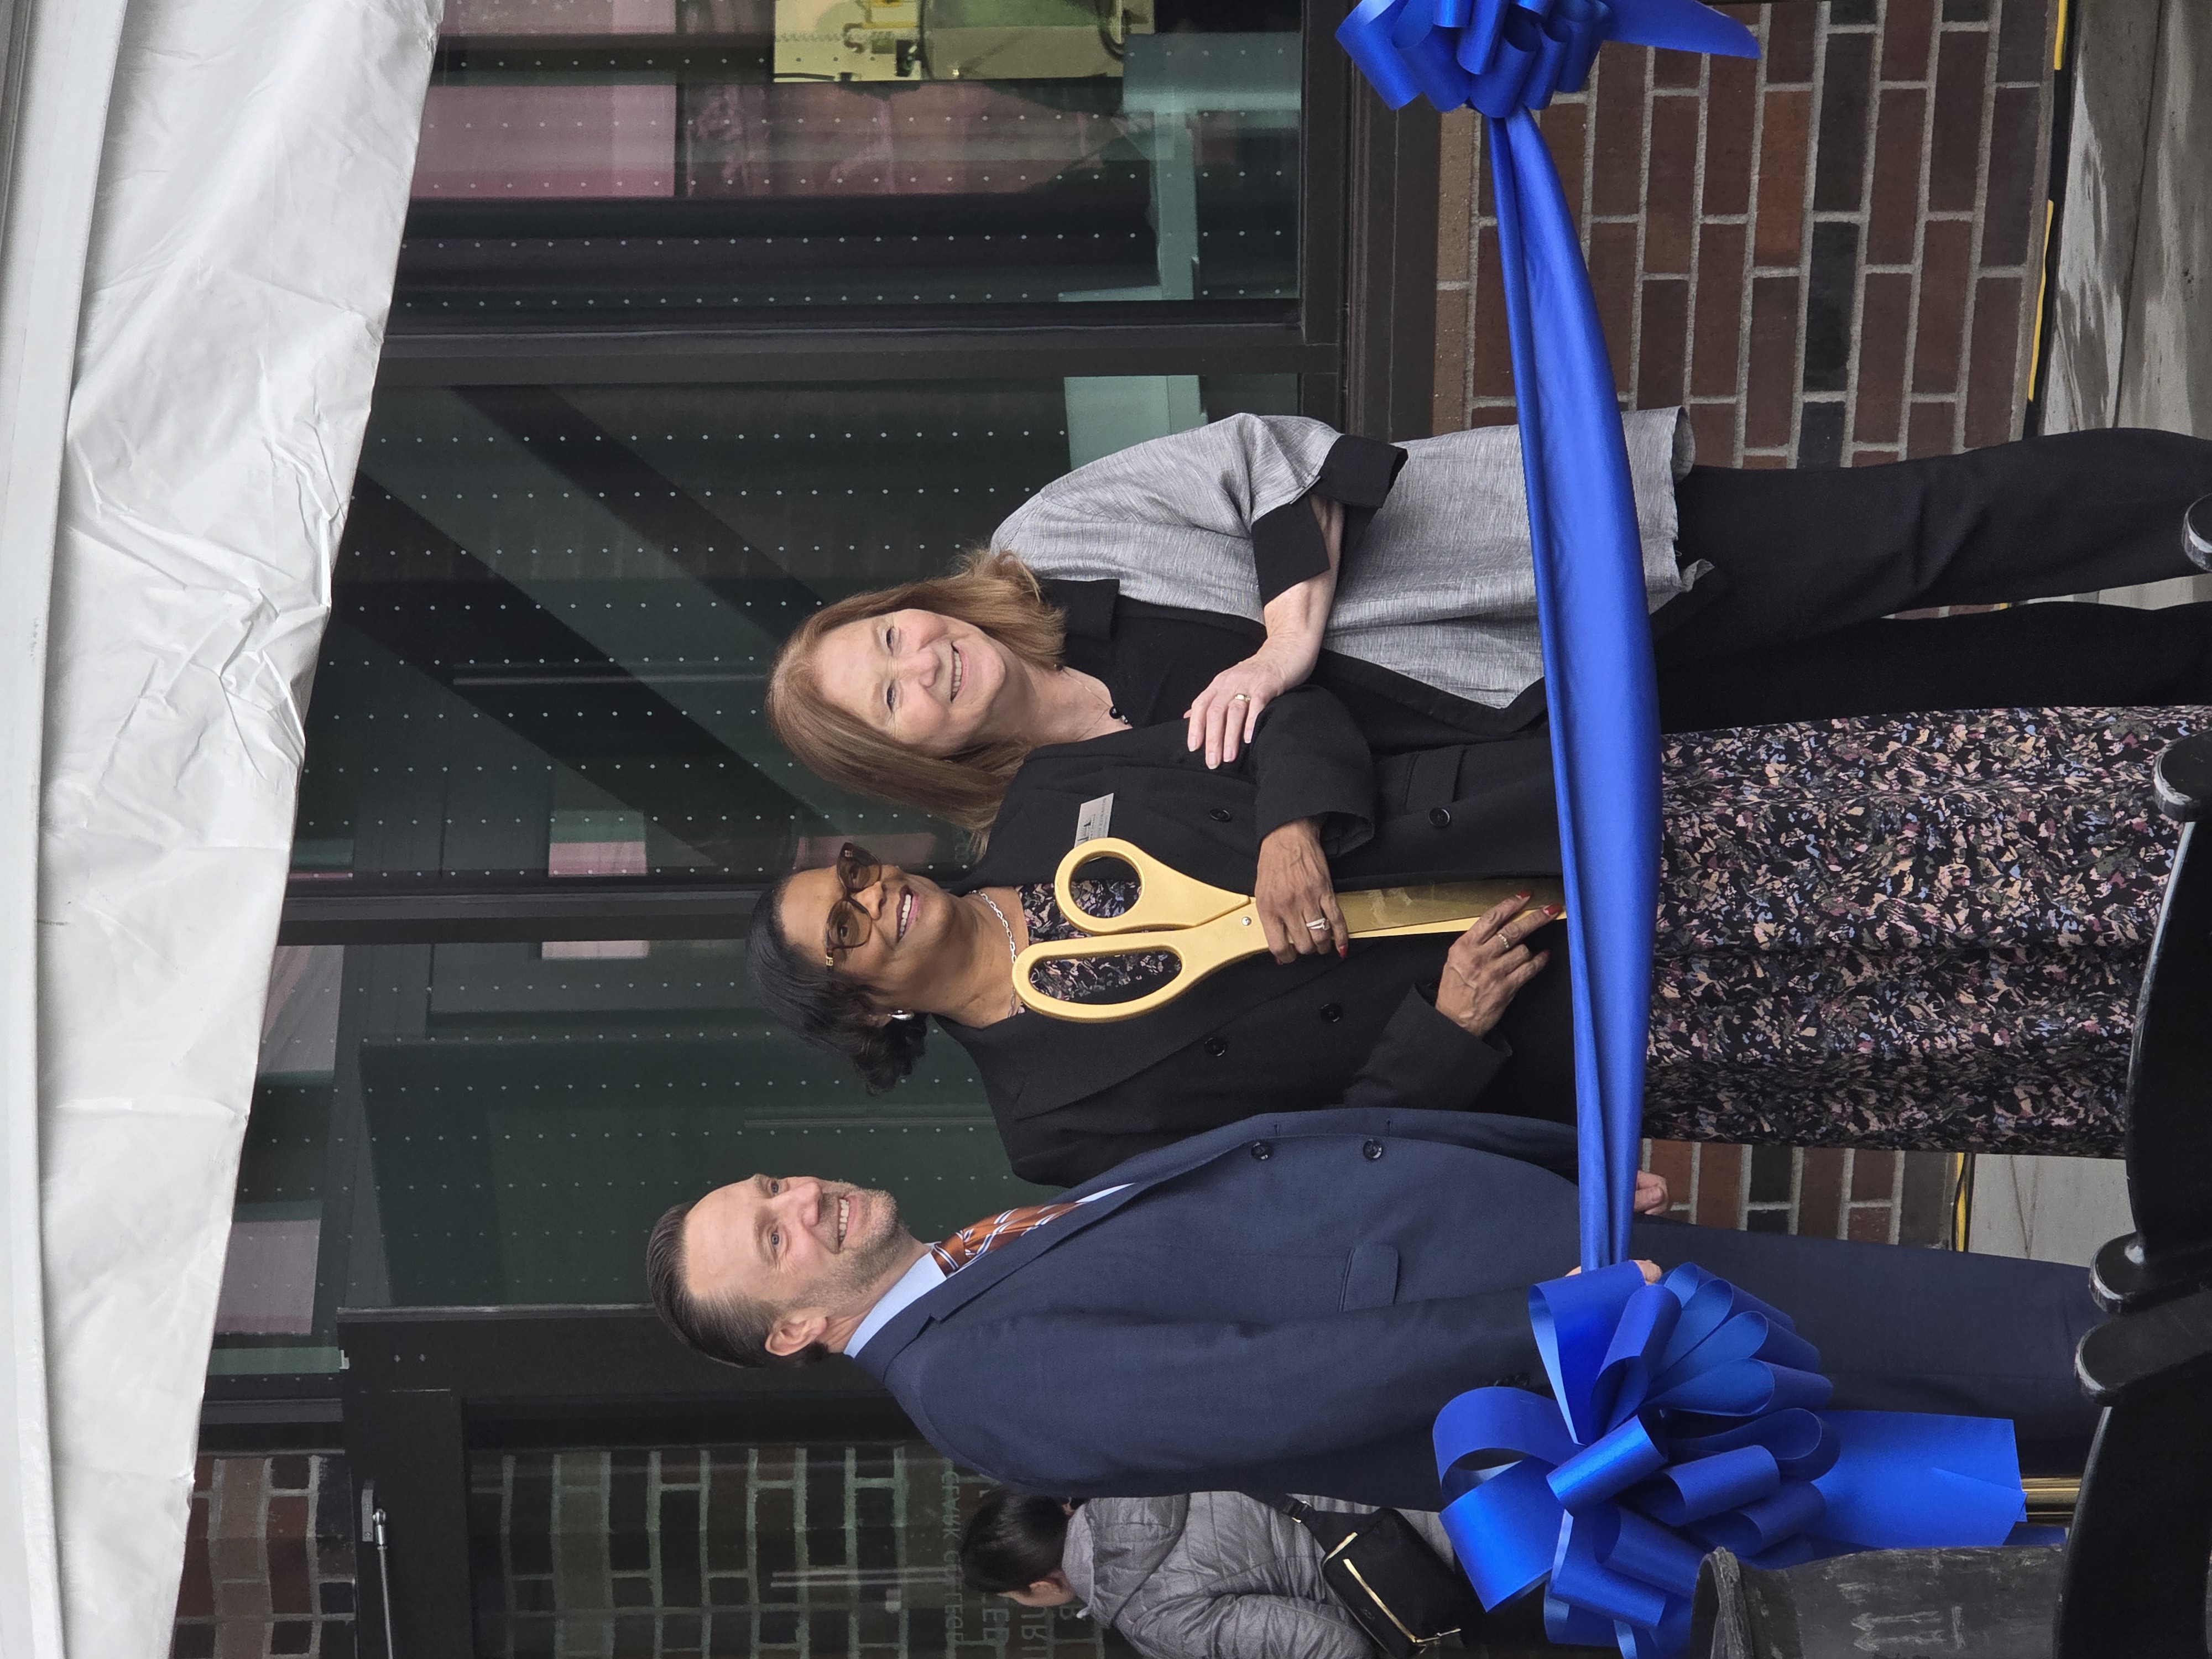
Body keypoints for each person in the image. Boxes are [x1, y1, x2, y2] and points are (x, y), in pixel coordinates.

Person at [750, 693, 2198, 1185]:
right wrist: (1445, 1033)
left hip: (1560, 823)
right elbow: (1309, 1170)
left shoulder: (1051, 796)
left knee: (1945, 829)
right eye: (849, 930)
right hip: (1575, 1023)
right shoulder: (1050, 1130)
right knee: (1947, 1028)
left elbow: (1295, 710)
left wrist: (1290, 819)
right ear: (863, 1012)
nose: (881, 896)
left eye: (859, 873)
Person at [764, 414, 2212, 835]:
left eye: (887, 635)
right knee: (1938, 693)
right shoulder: (1071, 808)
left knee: (1923, 529)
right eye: (888, 695)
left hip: (1564, 571)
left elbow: (1276, 460)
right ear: (908, 759)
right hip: (1569, 743)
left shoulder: (1052, 544)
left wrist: (1281, 642)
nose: (918, 658)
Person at [642, 1107, 2103, 1510]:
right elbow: (1275, 1389)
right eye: (771, 1236)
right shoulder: (967, 1388)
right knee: (2005, 1345)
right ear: (792, 1331)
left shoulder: (971, 1261)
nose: (801, 1198)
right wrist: (1550, 1311)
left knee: (1963, 1348)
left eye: (772, 1184)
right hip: (1577, 1336)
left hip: (1555, 1259)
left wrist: (1545, 1162)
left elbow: (1279, 1167)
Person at [960, 1487, 1505, 1659]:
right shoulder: (1135, 1469)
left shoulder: (1150, 1616)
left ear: (1040, 1585)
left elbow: (1332, 1644)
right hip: (1435, 1474)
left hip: (1460, 1568)